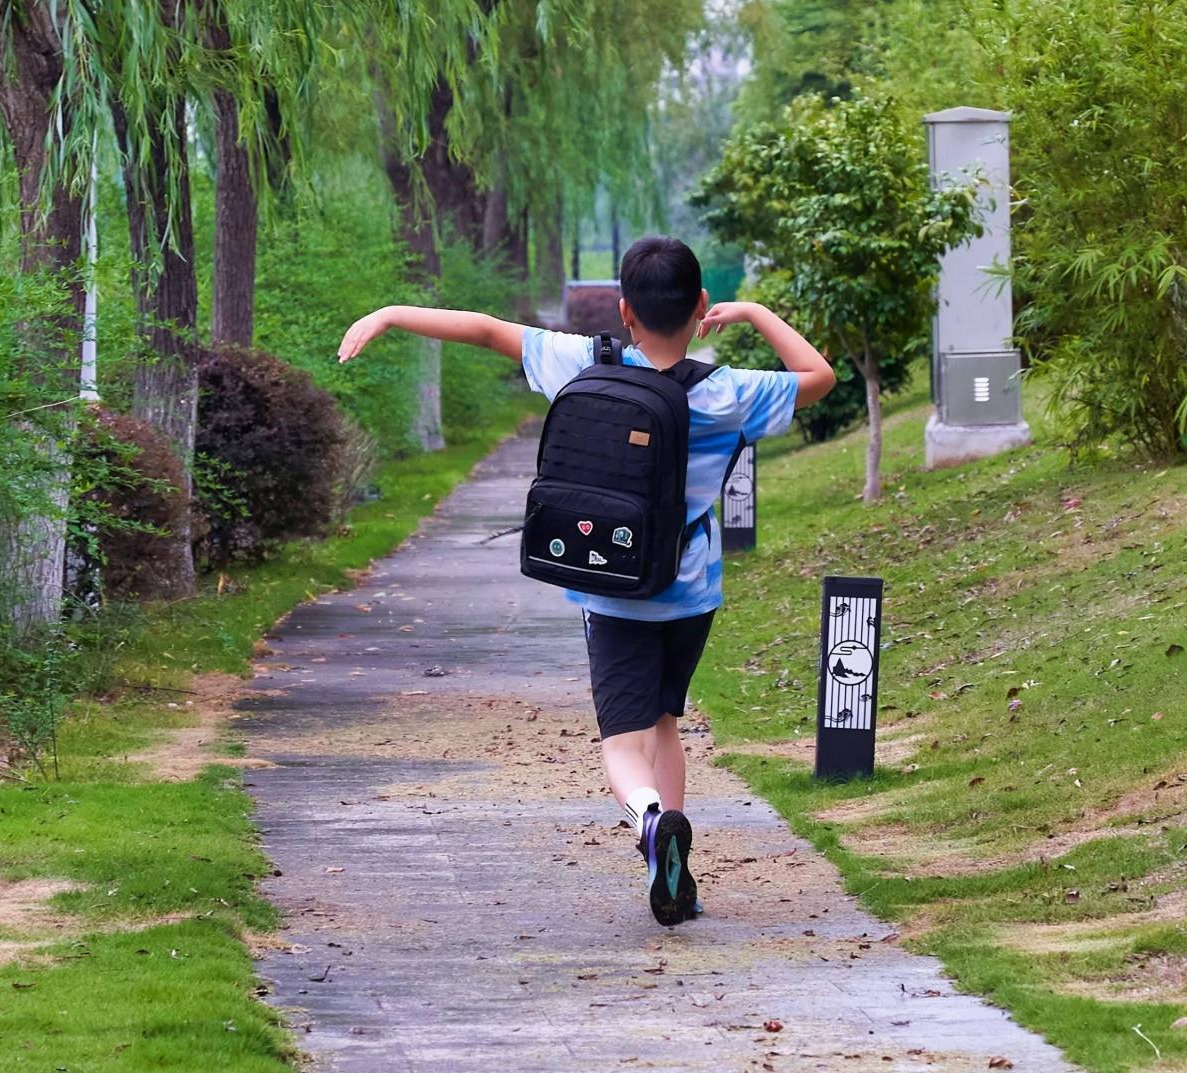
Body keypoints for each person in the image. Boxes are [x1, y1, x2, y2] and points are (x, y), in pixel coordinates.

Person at [338, 236, 835, 925]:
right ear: (698, 307)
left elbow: (483, 330)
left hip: (610, 585)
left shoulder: (581, 362)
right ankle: (677, 873)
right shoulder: (730, 394)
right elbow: (819, 376)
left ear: (625, 312)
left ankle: (651, 820)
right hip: (690, 589)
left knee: (621, 742)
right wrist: (751, 313)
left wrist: (392, 311)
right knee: (664, 721)